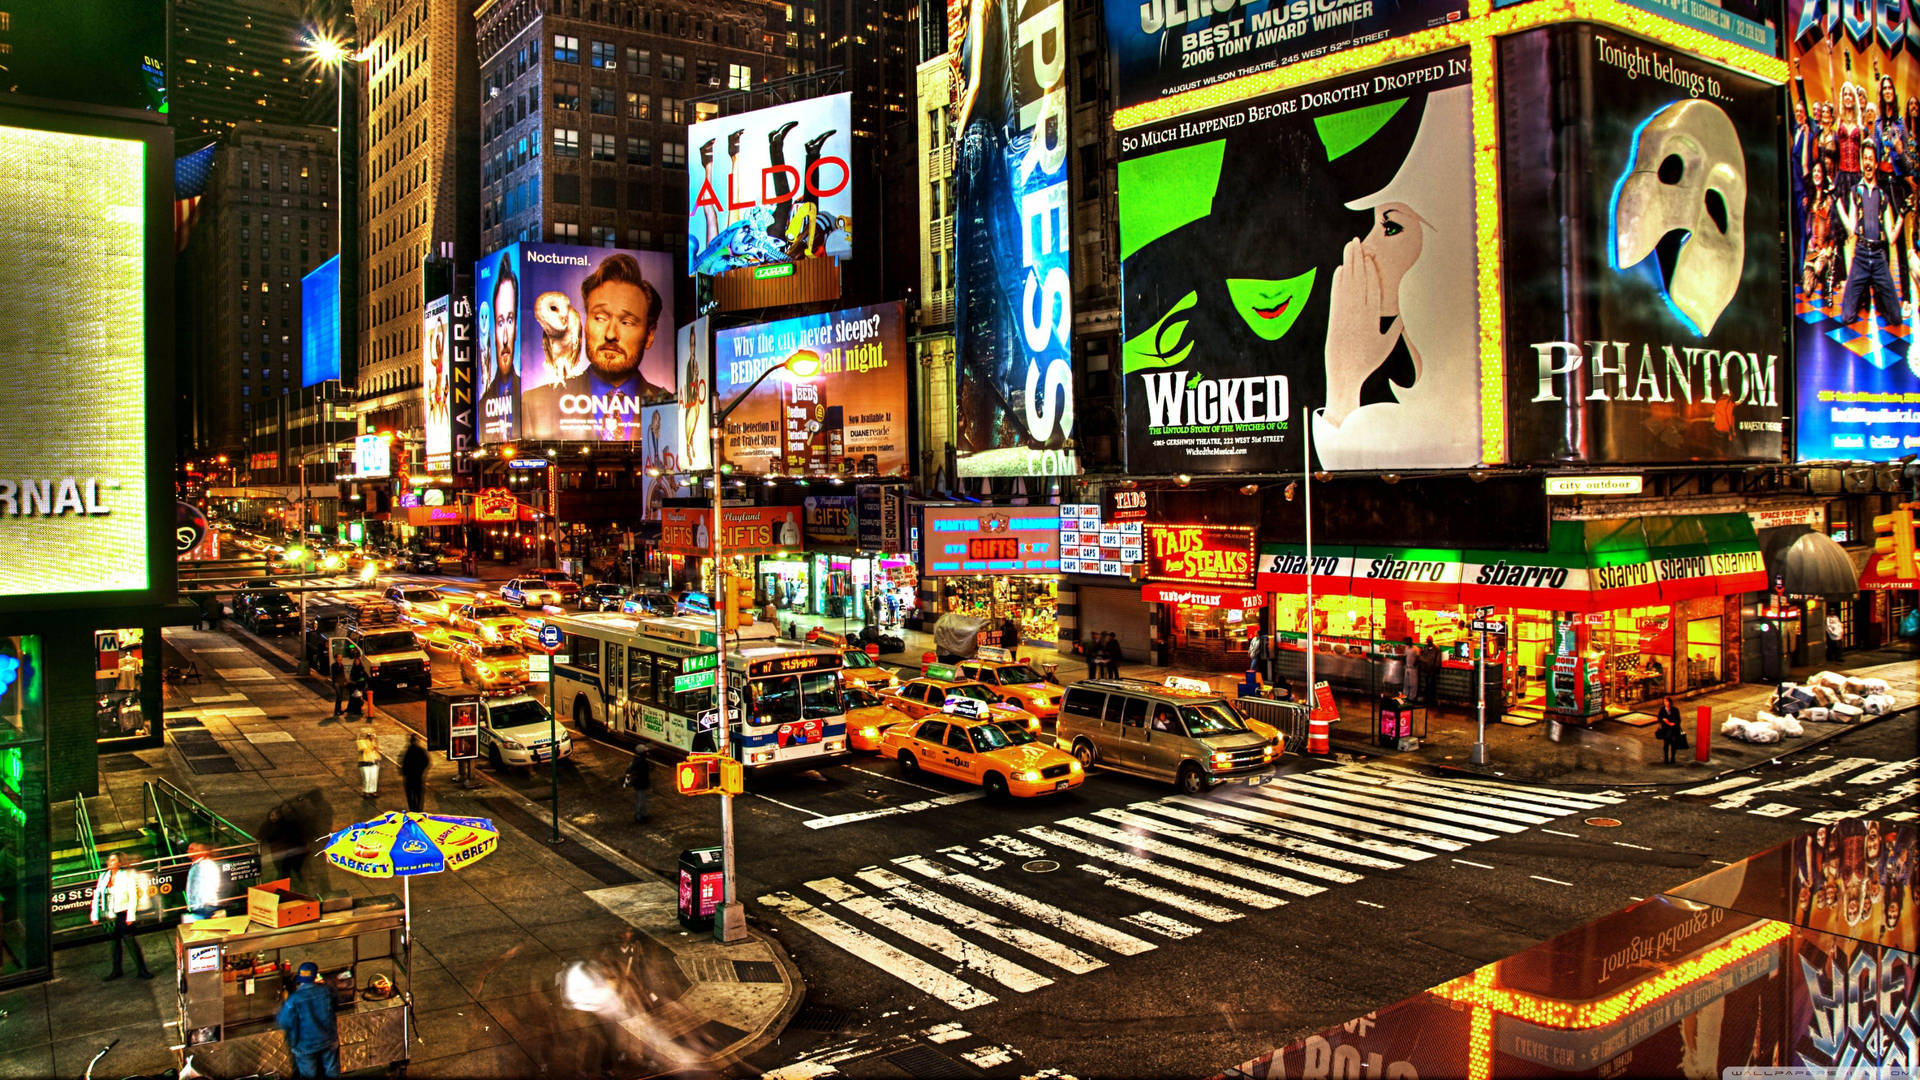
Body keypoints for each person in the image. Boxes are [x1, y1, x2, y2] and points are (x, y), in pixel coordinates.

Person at [520, 253, 668, 440]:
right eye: (600, 318)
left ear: (649, 335)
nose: (611, 334)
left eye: (626, 322)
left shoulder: (673, 405)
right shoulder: (534, 404)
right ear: (586, 322)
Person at [1837, 139, 1904, 329]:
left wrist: (1901, 217)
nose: (1867, 163)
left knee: (1896, 318)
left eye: (1871, 159)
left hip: (1878, 258)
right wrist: (1837, 203)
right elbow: (1851, 229)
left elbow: (1890, 239)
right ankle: (1863, 294)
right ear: (1861, 163)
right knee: (1847, 317)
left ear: (1875, 164)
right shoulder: (1854, 191)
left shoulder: (1883, 195)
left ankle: (1877, 295)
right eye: (1864, 158)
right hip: (1861, 256)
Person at [90, 852, 151, 980]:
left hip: (122, 912)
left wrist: (130, 916)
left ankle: (142, 970)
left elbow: (133, 896)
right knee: (114, 942)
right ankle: (116, 970)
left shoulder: (125, 877)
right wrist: (94, 914)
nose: (109, 862)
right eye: (109, 860)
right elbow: (96, 896)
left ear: (119, 863)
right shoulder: (103, 877)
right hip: (109, 914)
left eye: (113, 860)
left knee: (129, 940)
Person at [481, 253, 522, 443]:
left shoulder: (531, 396)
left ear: (516, 327)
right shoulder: (481, 406)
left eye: (510, 320)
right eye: (500, 322)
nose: (505, 338)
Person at [276, 961, 340, 1080]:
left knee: (308, 1075)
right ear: (315, 976)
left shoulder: (294, 999)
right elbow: (336, 1005)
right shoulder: (326, 991)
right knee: (332, 1072)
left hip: (305, 1045)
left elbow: (284, 1020)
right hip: (329, 1040)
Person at [183, 842, 223, 922]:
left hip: (204, 907)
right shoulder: (197, 865)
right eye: (188, 849)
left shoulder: (204, 865)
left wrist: (196, 906)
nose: (188, 851)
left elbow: (204, 888)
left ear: (201, 851)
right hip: (200, 906)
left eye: (192, 849)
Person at [401, 734, 429, 813]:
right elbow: (426, 762)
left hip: (409, 778)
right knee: (419, 795)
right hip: (418, 777)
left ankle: (412, 810)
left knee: (410, 796)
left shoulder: (408, 751)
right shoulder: (421, 751)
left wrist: (405, 773)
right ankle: (419, 810)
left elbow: (404, 764)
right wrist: (422, 771)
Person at [1655, 696, 1687, 765]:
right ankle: (1666, 759)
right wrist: (1663, 720)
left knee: (1673, 744)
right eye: (1664, 701)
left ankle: (1673, 758)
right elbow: (1659, 718)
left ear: (1670, 702)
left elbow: (1678, 720)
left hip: (1673, 730)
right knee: (1666, 744)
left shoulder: (1675, 710)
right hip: (1665, 730)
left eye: (1667, 701)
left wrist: (1673, 723)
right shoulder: (1663, 709)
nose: (1666, 703)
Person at [624, 748, 651, 823]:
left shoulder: (638, 760)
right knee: (641, 800)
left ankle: (642, 814)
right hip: (640, 783)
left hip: (640, 783)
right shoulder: (640, 762)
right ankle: (639, 816)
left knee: (642, 800)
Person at [357, 722, 380, 798]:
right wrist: (370, 744)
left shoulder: (374, 742)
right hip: (365, 763)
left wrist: (374, 744)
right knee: (366, 778)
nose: (371, 736)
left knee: (374, 777)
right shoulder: (361, 742)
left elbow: (377, 749)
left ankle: (373, 790)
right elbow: (363, 749)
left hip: (374, 762)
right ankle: (365, 791)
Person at [1418, 637, 1441, 710]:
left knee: (1431, 686)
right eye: (1428, 641)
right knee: (1428, 686)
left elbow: (1437, 661)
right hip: (1426, 670)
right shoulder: (1426, 648)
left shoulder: (1436, 649)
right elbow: (1424, 657)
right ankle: (1428, 701)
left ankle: (1431, 701)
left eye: (1429, 641)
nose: (1428, 643)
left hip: (1432, 671)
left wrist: (1435, 668)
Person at [329, 651, 351, 718]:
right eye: (339, 657)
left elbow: (342, 674)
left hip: (341, 682)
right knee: (338, 697)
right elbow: (334, 675)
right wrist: (335, 682)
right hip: (337, 683)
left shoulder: (341, 665)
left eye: (341, 657)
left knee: (341, 697)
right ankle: (336, 711)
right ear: (336, 658)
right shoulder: (334, 665)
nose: (340, 658)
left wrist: (344, 681)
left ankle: (339, 710)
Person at [1400, 638, 1421, 704]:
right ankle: (1405, 697)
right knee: (1406, 683)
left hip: (1413, 669)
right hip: (1407, 668)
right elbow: (1405, 657)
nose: (1405, 643)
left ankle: (1412, 698)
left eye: (1406, 642)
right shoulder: (1407, 648)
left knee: (1413, 684)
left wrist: (1414, 665)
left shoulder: (1416, 649)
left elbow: (1418, 658)